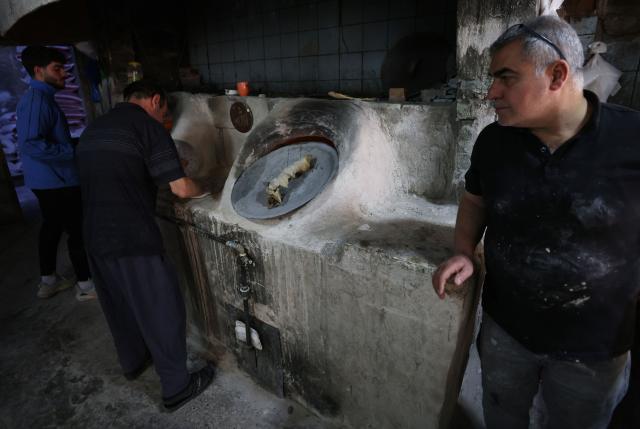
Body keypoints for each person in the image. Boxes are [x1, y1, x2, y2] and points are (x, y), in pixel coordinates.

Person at [432, 16, 640, 429]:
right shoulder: (495, 142)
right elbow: (475, 201)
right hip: (506, 331)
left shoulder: (631, 140)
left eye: (506, 78)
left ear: (558, 74)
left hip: (594, 349)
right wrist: (463, 251)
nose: (492, 93)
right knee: (503, 415)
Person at [76, 80, 214, 411]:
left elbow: (115, 174)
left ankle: (135, 361)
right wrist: (208, 186)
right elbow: (181, 188)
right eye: (165, 113)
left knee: (120, 304)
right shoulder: (148, 128)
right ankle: (177, 388)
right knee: (161, 308)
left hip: (93, 234)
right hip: (132, 237)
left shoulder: (94, 129)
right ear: (155, 101)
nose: (164, 120)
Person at [16, 46, 96, 301]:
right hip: (56, 180)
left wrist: (71, 144)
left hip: (48, 178)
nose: (64, 75)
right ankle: (86, 285)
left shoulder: (42, 98)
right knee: (77, 231)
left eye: (64, 68)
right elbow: (31, 144)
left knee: (51, 227)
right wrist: (70, 151)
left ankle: (48, 281)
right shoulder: (37, 102)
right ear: (39, 71)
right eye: (57, 69)